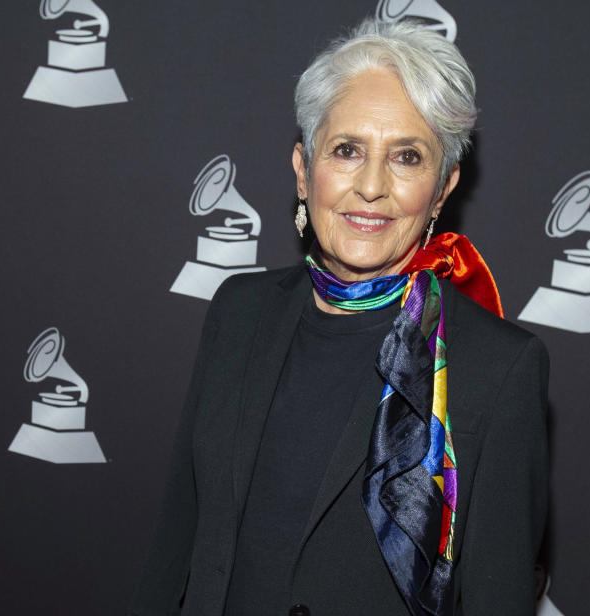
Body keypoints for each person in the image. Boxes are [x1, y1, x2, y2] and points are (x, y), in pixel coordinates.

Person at [131, 18, 548, 616]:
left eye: (407, 156)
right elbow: (178, 542)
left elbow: (495, 598)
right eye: (347, 150)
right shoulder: (238, 311)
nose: (371, 186)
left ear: (442, 188)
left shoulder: (499, 368)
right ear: (303, 169)